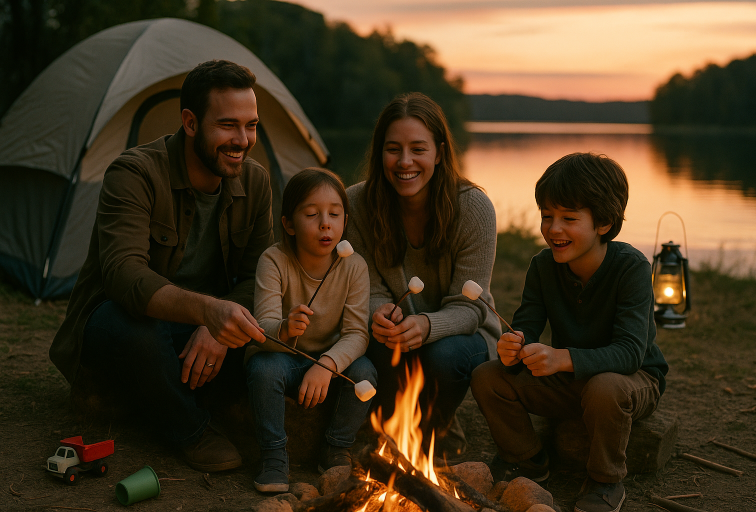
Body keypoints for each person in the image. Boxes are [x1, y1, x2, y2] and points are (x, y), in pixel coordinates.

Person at [49, 60, 273, 473]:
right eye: (228, 125)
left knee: (272, 332)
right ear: (190, 122)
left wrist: (216, 328)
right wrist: (207, 311)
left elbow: (261, 274)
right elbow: (124, 276)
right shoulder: (134, 173)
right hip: (122, 323)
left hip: (198, 326)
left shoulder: (255, 182)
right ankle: (190, 431)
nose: (242, 140)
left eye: (251, 125)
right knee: (133, 322)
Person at [471, 153, 669, 512]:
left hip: (631, 380)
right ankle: (528, 460)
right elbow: (527, 324)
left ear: (604, 223)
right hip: (571, 380)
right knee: (488, 376)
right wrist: (515, 345)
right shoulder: (542, 266)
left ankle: (606, 482)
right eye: (547, 216)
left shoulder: (631, 268)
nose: (553, 229)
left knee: (604, 387)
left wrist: (561, 357)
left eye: (569, 218)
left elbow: (629, 353)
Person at [346, 92, 501, 461]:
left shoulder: (473, 207)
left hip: (465, 333)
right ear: (379, 151)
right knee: (379, 341)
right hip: (396, 331)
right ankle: (397, 433)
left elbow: (471, 307)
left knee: (443, 356)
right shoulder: (356, 205)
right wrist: (379, 313)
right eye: (393, 149)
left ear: (440, 151)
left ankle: (431, 436)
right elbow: (365, 286)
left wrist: (428, 326)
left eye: (418, 148)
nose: (404, 162)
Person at [246, 167, 376, 493]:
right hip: (283, 358)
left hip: (327, 362)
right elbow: (262, 329)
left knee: (365, 373)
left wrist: (328, 365)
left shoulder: (353, 266)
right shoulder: (273, 261)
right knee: (262, 368)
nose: (325, 223)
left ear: (345, 220)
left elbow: (357, 333)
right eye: (312, 214)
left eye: (334, 214)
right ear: (288, 223)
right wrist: (286, 328)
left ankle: (336, 447)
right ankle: (274, 455)